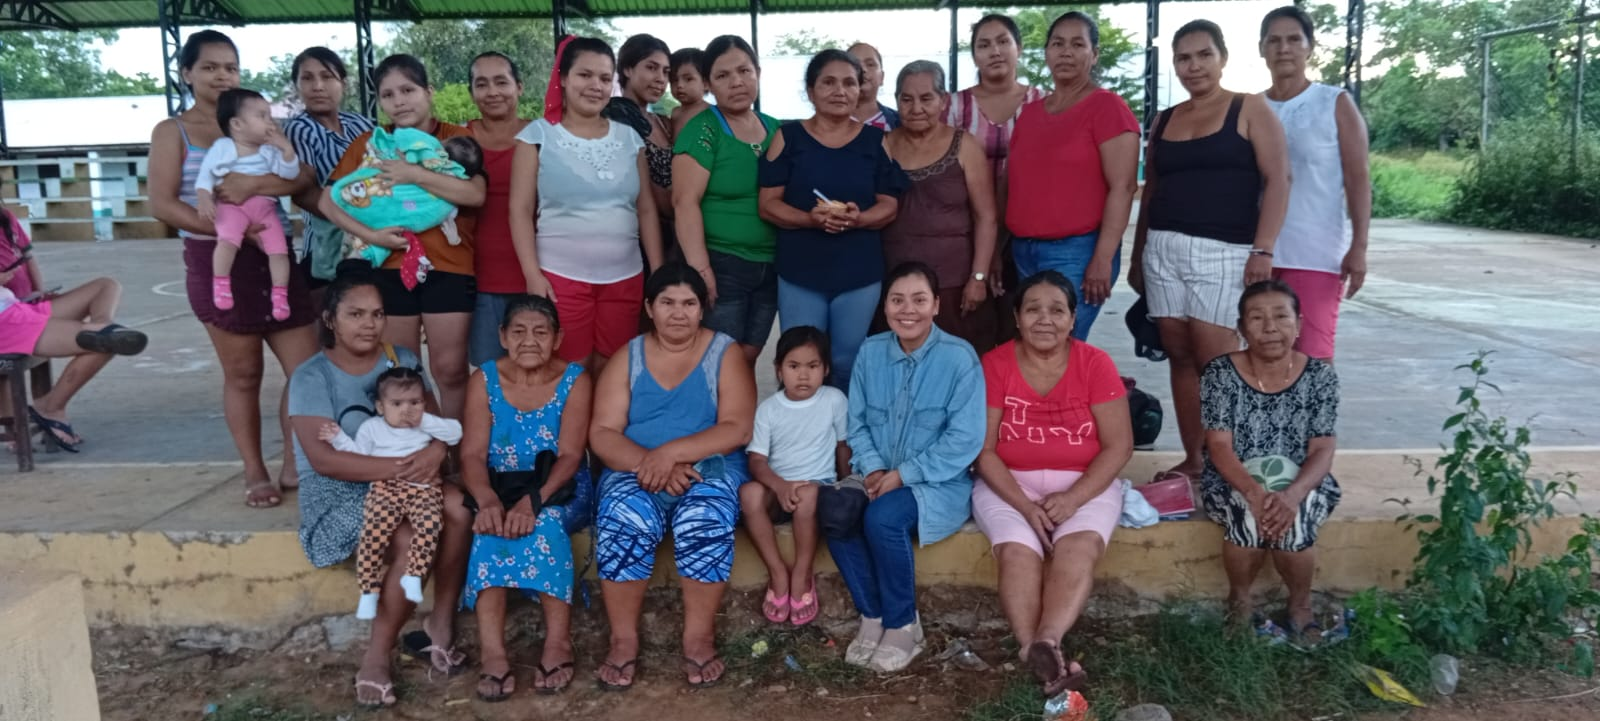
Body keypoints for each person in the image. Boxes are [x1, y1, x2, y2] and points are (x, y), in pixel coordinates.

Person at [150, 30, 319, 508]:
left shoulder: (258, 121)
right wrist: (231, 232)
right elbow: (162, 203)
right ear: (186, 73)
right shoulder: (173, 132)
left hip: (275, 256)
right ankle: (254, 469)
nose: (222, 76)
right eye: (209, 67)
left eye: (230, 67)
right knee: (243, 373)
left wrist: (255, 185)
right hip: (219, 259)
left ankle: (294, 459)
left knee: (306, 369)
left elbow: (302, 177)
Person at [288, 269, 472, 707]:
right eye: (355, 314)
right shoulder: (312, 376)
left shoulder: (399, 358)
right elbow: (325, 460)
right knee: (407, 536)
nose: (369, 324)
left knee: (461, 508)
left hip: (406, 477)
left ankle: (440, 624)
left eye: (377, 314)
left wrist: (435, 453)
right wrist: (403, 468)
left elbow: (433, 426)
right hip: (339, 488)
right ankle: (376, 657)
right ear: (330, 319)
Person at [1130, 20, 1290, 485]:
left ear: (1223, 58)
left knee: (1218, 364)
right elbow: (1152, 190)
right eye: (1183, 58)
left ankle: (1233, 465)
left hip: (1224, 251)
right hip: (1164, 250)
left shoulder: (1249, 107)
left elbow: (1278, 179)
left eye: (1204, 55)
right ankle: (1195, 461)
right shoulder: (1165, 118)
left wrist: (1264, 249)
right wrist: (1138, 255)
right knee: (1180, 357)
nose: (1193, 66)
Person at [589, 262, 755, 690]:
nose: (678, 313)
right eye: (667, 302)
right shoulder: (628, 357)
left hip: (708, 468)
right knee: (624, 517)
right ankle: (623, 640)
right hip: (635, 468)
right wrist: (652, 463)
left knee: (703, 518)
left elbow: (737, 427)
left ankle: (698, 638)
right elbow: (603, 433)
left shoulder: (725, 353)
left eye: (689, 303)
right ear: (649, 307)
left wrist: (669, 455)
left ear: (702, 309)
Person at [971, 270, 1132, 697]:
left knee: (1079, 548)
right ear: (1017, 318)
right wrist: (1026, 507)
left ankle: (1047, 641)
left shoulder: (1095, 363)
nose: (1045, 319)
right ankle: (1034, 650)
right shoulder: (995, 364)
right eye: (1033, 309)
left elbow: (1119, 446)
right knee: (1017, 551)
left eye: (1057, 310)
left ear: (1073, 318)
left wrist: (1074, 498)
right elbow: (984, 451)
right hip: (1010, 485)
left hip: (1085, 484)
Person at [825, 262, 984, 673]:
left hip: (936, 484)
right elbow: (857, 423)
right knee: (836, 511)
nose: (907, 310)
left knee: (881, 517)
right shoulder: (871, 351)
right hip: (876, 474)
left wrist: (903, 475)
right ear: (885, 306)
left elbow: (964, 440)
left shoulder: (959, 358)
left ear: (936, 305)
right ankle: (873, 614)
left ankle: (903, 625)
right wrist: (875, 469)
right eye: (897, 300)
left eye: (919, 300)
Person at [320, 54, 486, 420]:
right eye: (388, 94)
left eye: (408, 90)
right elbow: (326, 201)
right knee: (404, 372)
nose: (399, 101)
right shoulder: (371, 143)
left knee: (450, 370)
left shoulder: (455, 138)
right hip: (388, 269)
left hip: (449, 267)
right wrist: (372, 235)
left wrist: (414, 174)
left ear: (429, 92)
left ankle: (455, 449)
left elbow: (475, 194)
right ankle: (422, 448)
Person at [460, 295, 592, 701]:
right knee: (488, 529)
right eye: (518, 332)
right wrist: (486, 500)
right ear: (502, 336)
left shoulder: (575, 379)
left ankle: (558, 643)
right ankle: (493, 653)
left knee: (546, 525)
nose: (529, 341)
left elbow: (570, 456)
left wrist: (535, 500)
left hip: (559, 486)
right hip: (499, 485)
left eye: (540, 332)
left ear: (557, 338)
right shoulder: (484, 380)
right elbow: (472, 455)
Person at [511, 37, 663, 372]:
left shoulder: (630, 138)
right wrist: (532, 274)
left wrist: (658, 271)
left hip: (626, 277)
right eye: (585, 75)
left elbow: (646, 209)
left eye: (605, 78)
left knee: (615, 368)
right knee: (569, 369)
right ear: (563, 78)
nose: (596, 85)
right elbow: (520, 211)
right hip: (559, 277)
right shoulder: (537, 137)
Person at [1200, 279, 1341, 637]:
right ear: (1241, 327)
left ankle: (1300, 605)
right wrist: (1254, 493)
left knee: (1294, 523)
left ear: (1299, 324)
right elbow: (1219, 446)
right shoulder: (1220, 373)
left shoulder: (1320, 376)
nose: (1270, 328)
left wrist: (1292, 496)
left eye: (1281, 316)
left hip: (1302, 480)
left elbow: (1322, 448)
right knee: (1247, 519)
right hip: (1233, 478)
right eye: (1257, 318)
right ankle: (1240, 601)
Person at [759, 49, 906, 391]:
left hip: (859, 272)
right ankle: (800, 425)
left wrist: (859, 219)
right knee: (801, 360)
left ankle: (845, 426)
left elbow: (889, 205)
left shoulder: (876, 141)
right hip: (800, 272)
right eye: (828, 82)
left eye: (849, 83)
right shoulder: (788, 137)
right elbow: (768, 205)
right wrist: (809, 219)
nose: (840, 91)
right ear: (810, 91)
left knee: (845, 361)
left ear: (860, 90)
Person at [1006, 12, 1141, 342]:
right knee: (1035, 347)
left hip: (1076, 252)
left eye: (1077, 44)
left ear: (1094, 54)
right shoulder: (1030, 113)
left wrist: (1102, 258)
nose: (1066, 52)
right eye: (1057, 43)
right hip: (1022, 251)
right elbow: (1012, 183)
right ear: (1046, 52)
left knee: (1060, 346)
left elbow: (1123, 187)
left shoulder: (1107, 107)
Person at [1259, 5, 1371, 361]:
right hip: (1256, 254)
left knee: (1311, 356)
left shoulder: (1334, 103)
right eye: (1274, 40)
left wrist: (1359, 247)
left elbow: (1358, 178)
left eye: (1294, 39)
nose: (1284, 48)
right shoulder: (1251, 107)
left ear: (1310, 47)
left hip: (1314, 254)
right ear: (1261, 48)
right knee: (1263, 356)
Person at [0, 207, 148, 452]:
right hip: (7, 324)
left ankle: (101, 323)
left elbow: (27, 257)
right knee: (105, 342)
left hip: (17, 307)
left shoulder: (5, 216)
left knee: (106, 286)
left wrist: (39, 292)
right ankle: (51, 408)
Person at [322, 366, 463, 619]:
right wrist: (338, 438)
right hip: (386, 488)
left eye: (415, 402)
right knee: (373, 535)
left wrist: (425, 419)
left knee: (430, 526)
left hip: (423, 489)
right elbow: (358, 454)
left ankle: (414, 575)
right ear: (380, 406)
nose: (406, 410)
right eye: (396, 404)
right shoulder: (371, 428)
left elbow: (455, 433)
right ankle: (368, 591)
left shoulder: (425, 425)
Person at [673, 35, 781, 365]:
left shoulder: (775, 128)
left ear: (758, 73)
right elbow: (684, 202)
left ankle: (742, 403)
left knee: (750, 353)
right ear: (708, 84)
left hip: (772, 263)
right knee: (720, 357)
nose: (737, 82)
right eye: (723, 75)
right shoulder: (703, 130)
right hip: (722, 264)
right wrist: (701, 268)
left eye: (744, 71)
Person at [881, 61, 999, 355]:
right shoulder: (884, 145)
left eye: (926, 98)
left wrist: (978, 278)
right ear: (896, 101)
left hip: (954, 283)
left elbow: (986, 217)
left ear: (943, 100)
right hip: (896, 282)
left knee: (957, 360)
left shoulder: (965, 145)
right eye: (906, 99)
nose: (916, 108)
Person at [947, 13, 1049, 342]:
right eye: (984, 45)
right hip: (966, 233)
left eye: (1003, 42)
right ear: (974, 55)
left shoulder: (1044, 103)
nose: (995, 51)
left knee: (1022, 324)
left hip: (1026, 234)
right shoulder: (953, 107)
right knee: (972, 327)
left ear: (1019, 48)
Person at [741, 325, 849, 627]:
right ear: (779, 370)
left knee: (808, 493)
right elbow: (757, 461)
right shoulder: (769, 409)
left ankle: (801, 572)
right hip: (778, 490)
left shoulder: (834, 400)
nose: (803, 375)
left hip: (817, 490)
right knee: (749, 493)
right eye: (794, 366)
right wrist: (779, 486)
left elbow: (843, 447)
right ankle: (777, 571)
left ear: (826, 369)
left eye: (812, 366)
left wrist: (847, 483)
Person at [195, 88, 302, 320]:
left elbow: (289, 174)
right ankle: (221, 283)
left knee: (279, 251)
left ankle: (280, 295)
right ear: (237, 124)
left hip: (265, 209)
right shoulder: (223, 147)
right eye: (262, 116)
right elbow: (206, 175)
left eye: (269, 115)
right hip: (232, 207)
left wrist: (286, 149)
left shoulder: (270, 150)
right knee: (227, 241)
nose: (269, 122)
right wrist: (204, 197)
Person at [284, 47, 377, 289]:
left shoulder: (360, 123)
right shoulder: (299, 129)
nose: (317, 86)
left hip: (373, 243)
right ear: (297, 86)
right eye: (307, 78)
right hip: (327, 249)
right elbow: (305, 193)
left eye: (327, 77)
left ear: (343, 84)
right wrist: (364, 220)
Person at [464, 52, 534, 368]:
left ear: (519, 87)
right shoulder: (457, 141)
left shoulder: (543, 137)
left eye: (501, 82)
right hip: (477, 282)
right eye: (482, 84)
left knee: (537, 372)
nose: (492, 92)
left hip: (538, 278)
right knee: (488, 375)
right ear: (471, 93)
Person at [606, 34, 676, 235]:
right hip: (634, 232)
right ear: (627, 69)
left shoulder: (663, 121)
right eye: (651, 68)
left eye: (666, 71)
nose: (661, 79)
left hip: (673, 231)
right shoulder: (615, 117)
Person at [847, 43, 899, 130]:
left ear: (882, 77)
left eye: (870, 64)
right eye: (855, 64)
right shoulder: (827, 121)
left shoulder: (901, 123)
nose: (863, 69)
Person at [669, 48, 710, 135]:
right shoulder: (675, 113)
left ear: (706, 83)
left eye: (688, 79)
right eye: (674, 80)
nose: (679, 85)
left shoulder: (711, 112)